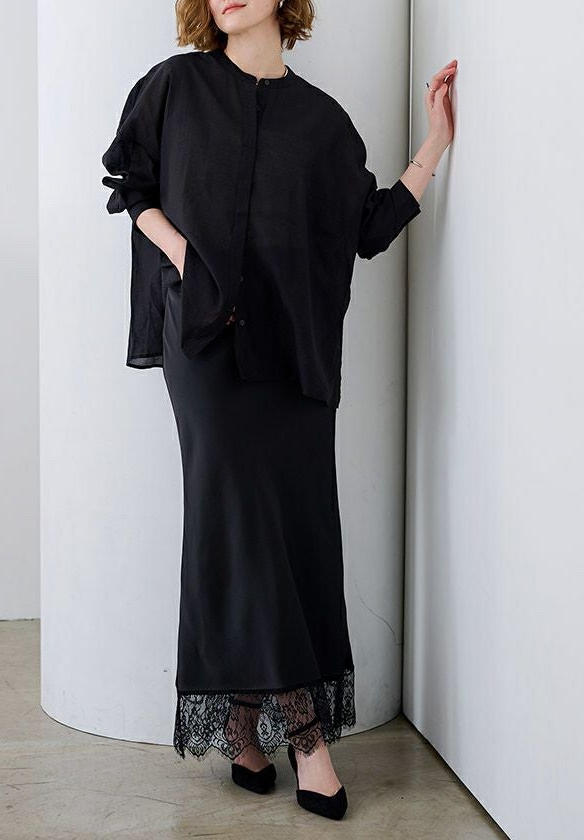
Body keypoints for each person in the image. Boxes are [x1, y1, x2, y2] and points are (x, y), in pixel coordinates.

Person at [101, 0, 455, 822]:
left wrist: (435, 143)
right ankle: (307, 737)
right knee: (247, 520)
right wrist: (187, 258)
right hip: (203, 349)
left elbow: (366, 229)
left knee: (279, 530)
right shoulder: (175, 86)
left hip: (292, 363)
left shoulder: (323, 124)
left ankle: (240, 728)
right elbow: (133, 184)